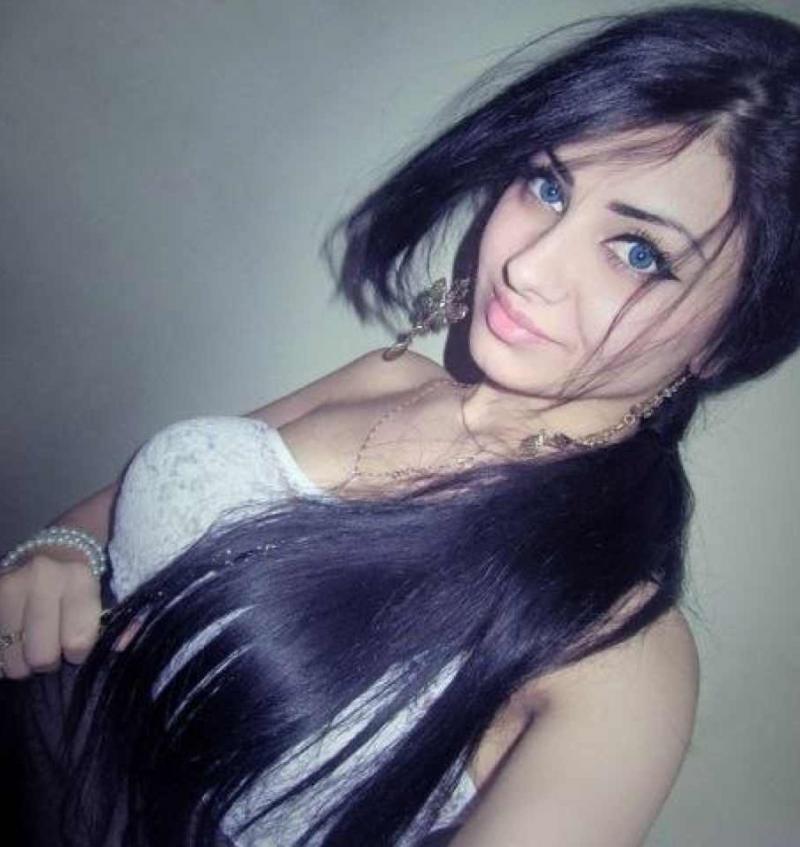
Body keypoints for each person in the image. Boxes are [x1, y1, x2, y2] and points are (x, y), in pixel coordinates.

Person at [2, 3, 800, 845]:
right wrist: (58, 552)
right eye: (548, 186)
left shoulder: (620, 654)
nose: (527, 264)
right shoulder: (384, 374)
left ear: (726, 342)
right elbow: (107, 514)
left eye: (639, 252)